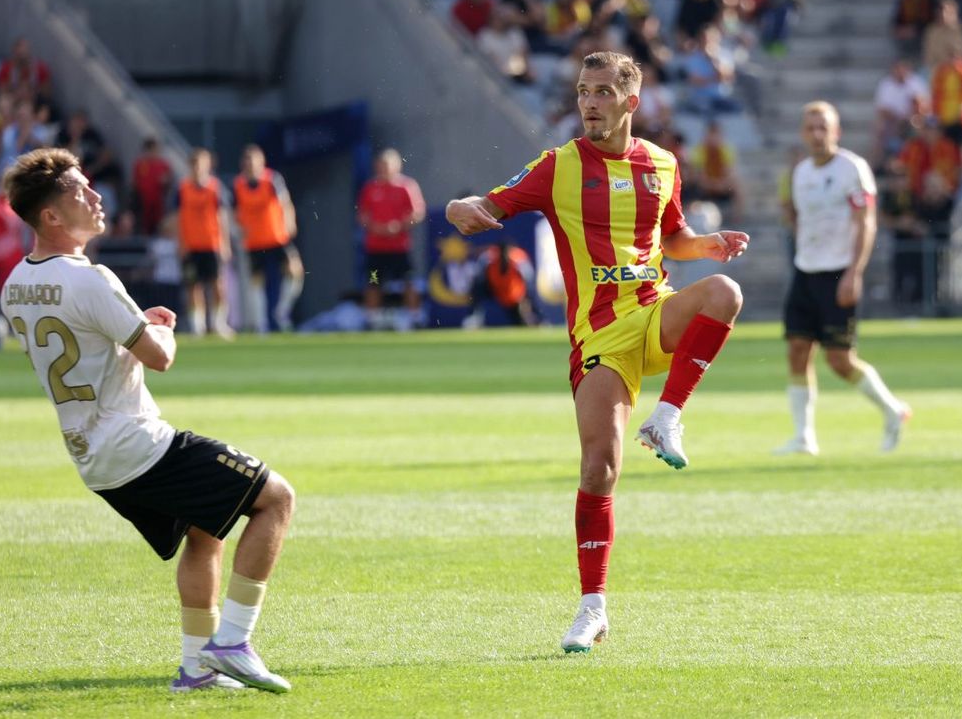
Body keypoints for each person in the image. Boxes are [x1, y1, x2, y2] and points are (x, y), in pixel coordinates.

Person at [445, 51, 748, 654]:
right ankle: (593, 608)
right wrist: (461, 209)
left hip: (654, 312)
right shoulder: (558, 167)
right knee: (598, 468)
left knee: (725, 293)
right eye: (584, 91)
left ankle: (667, 418)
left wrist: (705, 245)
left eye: (604, 92)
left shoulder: (661, 164)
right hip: (600, 336)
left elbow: (674, 239)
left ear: (631, 103)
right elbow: (490, 202)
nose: (590, 102)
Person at [0, 148, 294, 694]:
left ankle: (197, 669)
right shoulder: (91, 278)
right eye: (80, 192)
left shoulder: (15, 286)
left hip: (92, 455)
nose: (96, 196)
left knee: (207, 530)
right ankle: (232, 641)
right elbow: (160, 358)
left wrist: (135, 327)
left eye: (91, 185)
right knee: (276, 498)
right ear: (52, 217)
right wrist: (161, 331)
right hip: (135, 442)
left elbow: (82, 350)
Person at [777, 101, 911, 458]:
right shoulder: (800, 172)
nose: (817, 134)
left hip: (839, 273)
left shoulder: (853, 168)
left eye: (824, 127)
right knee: (796, 352)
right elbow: (797, 219)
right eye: (811, 127)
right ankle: (803, 436)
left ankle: (892, 410)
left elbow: (865, 221)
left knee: (839, 360)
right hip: (806, 271)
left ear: (836, 132)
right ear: (803, 133)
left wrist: (854, 272)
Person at [232, 145, 304, 333]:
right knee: (257, 281)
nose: (251, 165)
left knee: (294, 271)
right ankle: (261, 322)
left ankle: (282, 310)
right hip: (254, 240)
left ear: (261, 162)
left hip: (277, 236)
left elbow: (285, 203)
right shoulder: (238, 184)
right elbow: (234, 211)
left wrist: (289, 223)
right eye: (247, 161)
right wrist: (239, 229)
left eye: (254, 161)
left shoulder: (272, 180)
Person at [357, 147, 427, 329]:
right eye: (380, 165)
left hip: (399, 247)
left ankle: (415, 318)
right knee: (373, 282)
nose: (383, 169)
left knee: (408, 282)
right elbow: (362, 215)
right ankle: (371, 320)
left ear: (397, 166)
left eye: (387, 165)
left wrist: (398, 226)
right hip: (376, 248)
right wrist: (375, 227)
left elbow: (417, 212)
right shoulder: (370, 188)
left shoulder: (406, 186)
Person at [175, 148, 233, 338]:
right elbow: (178, 218)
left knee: (217, 284)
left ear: (208, 165)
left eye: (200, 163)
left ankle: (218, 323)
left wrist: (225, 243)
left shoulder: (215, 188)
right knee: (194, 286)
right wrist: (180, 243)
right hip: (191, 245)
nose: (197, 168)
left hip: (212, 243)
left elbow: (222, 217)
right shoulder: (182, 189)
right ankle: (197, 327)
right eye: (194, 164)